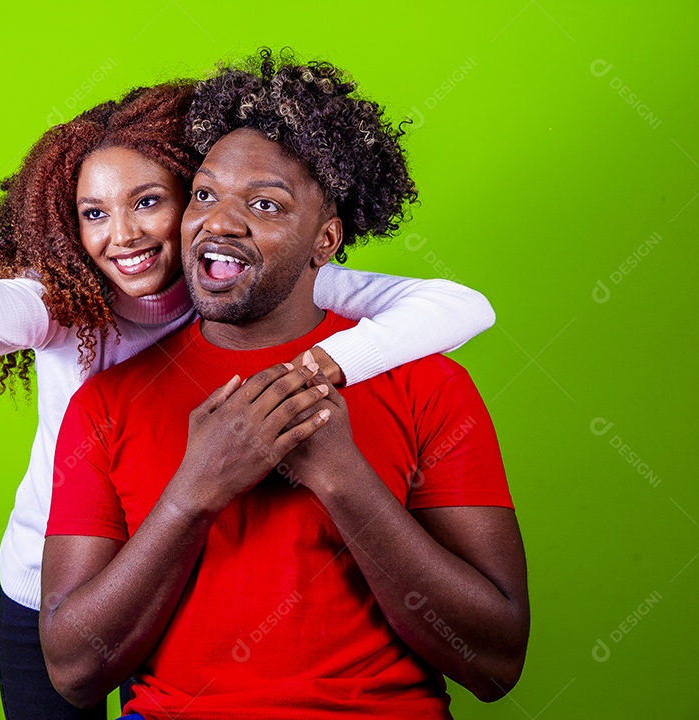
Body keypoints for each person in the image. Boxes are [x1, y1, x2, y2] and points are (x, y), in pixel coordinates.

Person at [0, 79, 498, 719]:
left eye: (149, 202)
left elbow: (453, 304)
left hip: (155, 590)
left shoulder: (273, 290)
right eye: (95, 213)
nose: (124, 234)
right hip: (49, 582)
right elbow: (6, 304)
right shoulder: (74, 308)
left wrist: (317, 377)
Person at [41, 49, 529, 719]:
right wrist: (194, 492)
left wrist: (343, 478)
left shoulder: (429, 387)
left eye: (265, 205)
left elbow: (496, 662)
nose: (219, 222)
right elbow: (72, 670)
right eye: (205, 195)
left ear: (324, 240)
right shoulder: (108, 401)